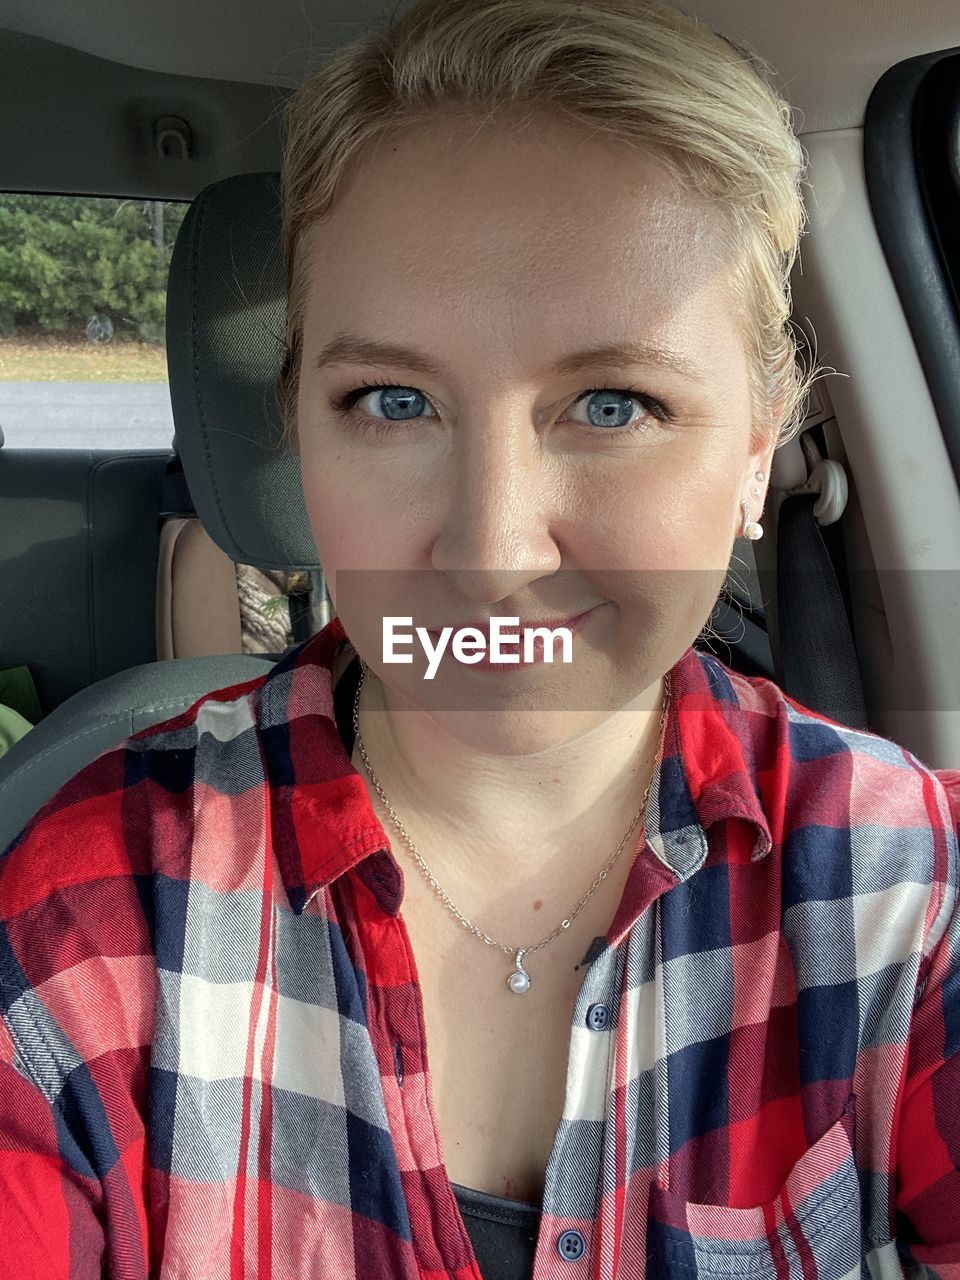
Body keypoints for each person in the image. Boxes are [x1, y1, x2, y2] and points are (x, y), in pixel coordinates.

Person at [1, 1, 959, 1276]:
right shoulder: (104, 914)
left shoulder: (910, 900)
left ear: (752, 448)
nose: (493, 550)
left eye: (613, 403)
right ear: (299, 419)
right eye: (392, 401)